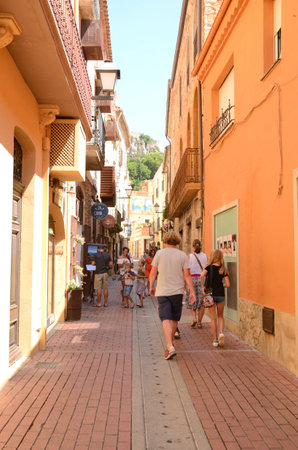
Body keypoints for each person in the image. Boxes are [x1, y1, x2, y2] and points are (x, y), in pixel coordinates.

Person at [149, 231, 195, 360]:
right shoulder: (182, 255)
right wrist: (192, 292)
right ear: (177, 241)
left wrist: (151, 286)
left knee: (165, 318)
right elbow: (187, 275)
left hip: (163, 291)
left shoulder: (159, 254)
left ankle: (170, 346)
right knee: (174, 318)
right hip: (178, 291)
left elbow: (153, 272)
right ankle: (171, 345)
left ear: (165, 241)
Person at [200, 249, 230, 348]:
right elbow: (228, 284)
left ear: (212, 257)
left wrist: (202, 287)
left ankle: (215, 340)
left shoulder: (209, 267)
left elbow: (202, 275)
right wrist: (222, 286)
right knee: (220, 316)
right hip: (220, 294)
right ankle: (221, 332)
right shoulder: (223, 268)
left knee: (213, 318)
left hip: (210, 294)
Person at [186, 239, 208, 328]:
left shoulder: (189, 256)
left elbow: (187, 271)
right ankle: (199, 322)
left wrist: (186, 284)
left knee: (192, 299)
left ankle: (194, 318)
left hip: (192, 279)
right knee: (201, 301)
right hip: (202, 279)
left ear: (193, 246)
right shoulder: (205, 256)